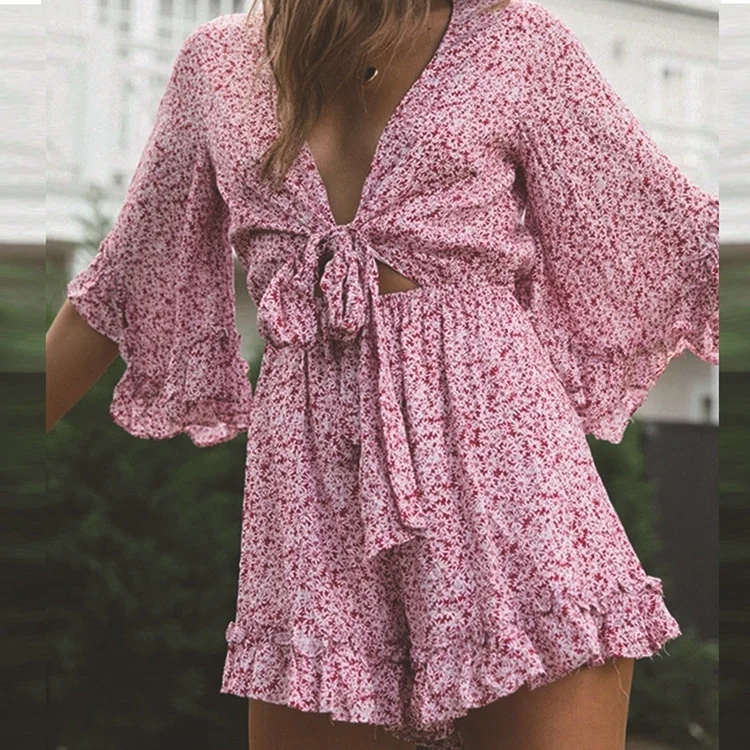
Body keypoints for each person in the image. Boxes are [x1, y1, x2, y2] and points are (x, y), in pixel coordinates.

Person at [46, 0, 719, 748]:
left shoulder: (514, 42)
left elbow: (677, 234)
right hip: (311, 503)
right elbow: (122, 285)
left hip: (503, 471)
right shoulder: (217, 64)